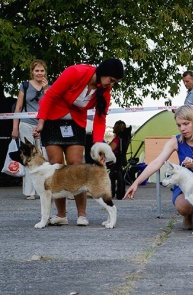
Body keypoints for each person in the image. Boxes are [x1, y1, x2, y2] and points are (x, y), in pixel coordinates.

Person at [33, 58, 125, 226]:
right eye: (110, 80)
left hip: (75, 123)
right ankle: (61, 215)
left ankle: (82, 215)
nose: (111, 84)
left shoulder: (105, 90)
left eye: (114, 82)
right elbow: (51, 95)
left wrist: (99, 146)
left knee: (76, 165)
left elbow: (100, 118)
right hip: (52, 121)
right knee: (56, 165)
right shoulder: (75, 72)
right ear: (103, 72)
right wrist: (41, 121)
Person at [124, 105, 193, 230]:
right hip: (184, 185)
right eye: (179, 125)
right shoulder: (175, 141)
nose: (182, 129)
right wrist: (136, 183)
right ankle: (188, 215)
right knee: (183, 208)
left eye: (186, 124)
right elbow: (156, 162)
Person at [11, 59, 50, 200]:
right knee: (28, 156)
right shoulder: (25, 86)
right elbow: (18, 108)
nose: (39, 73)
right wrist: (15, 127)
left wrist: (46, 90)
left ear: (45, 72)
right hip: (26, 123)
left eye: (42, 71)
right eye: (37, 70)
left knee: (42, 155)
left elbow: (50, 105)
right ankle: (29, 191)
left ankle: (43, 188)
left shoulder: (49, 87)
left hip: (43, 124)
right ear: (32, 72)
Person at [108, 120, 127, 199]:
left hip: (114, 159)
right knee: (120, 176)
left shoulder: (117, 139)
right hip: (121, 159)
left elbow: (110, 149)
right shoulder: (124, 139)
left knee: (111, 176)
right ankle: (120, 193)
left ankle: (110, 192)